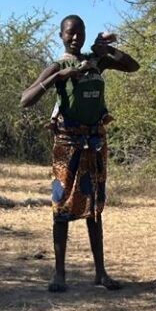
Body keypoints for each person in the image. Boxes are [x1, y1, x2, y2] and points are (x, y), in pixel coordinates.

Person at [21, 15, 139, 293]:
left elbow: (134, 66)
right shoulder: (57, 66)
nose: (75, 38)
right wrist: (58, 78)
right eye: (70, 33)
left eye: (80, 33)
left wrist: (109, 51)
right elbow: (25, 100)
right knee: (61, 206)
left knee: (95, 208)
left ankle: (100, 273)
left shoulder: (96, 62)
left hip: (95, 142)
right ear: (61, 35)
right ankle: (59, 274)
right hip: (67, 144)